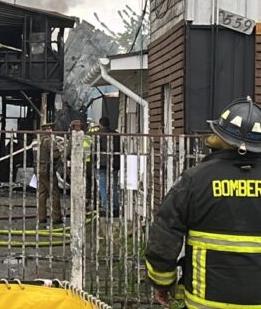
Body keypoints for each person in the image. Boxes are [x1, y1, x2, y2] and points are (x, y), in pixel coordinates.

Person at [146, 97, 261, 308]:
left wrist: (162, 284)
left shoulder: (195, 180)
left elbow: (164, 237)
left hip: (207, 301)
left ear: (220, 137)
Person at [37, 122, 63, 225]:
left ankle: (41, 217)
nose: (51, 131)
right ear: (47, 130)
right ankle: (56, 217)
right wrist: (61, 151)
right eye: (50, 129)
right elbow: (55, 154)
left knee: (42, 193)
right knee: (54, 193)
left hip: (39, 168)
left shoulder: (37, 141)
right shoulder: (48, 141)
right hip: (48, 169)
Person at [94, 117, 120, 217]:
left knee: (103, 185)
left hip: (102, 163)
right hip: (115, 163)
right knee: (114, 185)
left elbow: (95, 149)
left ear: (100, 124)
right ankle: (115, 206)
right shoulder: (116, 134)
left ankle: (105, 205)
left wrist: (94, 160)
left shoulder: (98, 135)